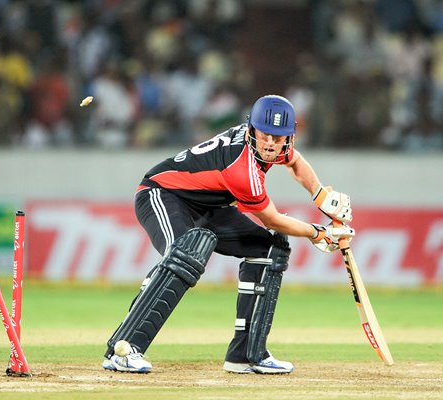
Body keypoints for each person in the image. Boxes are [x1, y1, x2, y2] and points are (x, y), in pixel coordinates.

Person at [101, 94, 355, 374]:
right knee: (185, 252)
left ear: (289, 137)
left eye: (278, 137)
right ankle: (123, 349)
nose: (270, 143)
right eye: (265, 134)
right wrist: (318, 233)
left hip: (209, 206)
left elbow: (295, 163)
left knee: (269, 249)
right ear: (251, 129)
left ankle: (246, 354)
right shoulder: (241, 168)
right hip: (162, 194)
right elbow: (272, 219)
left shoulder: (276, 146)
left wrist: (321, 196)